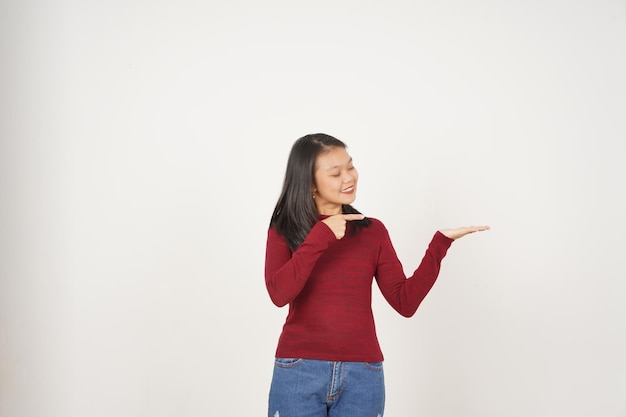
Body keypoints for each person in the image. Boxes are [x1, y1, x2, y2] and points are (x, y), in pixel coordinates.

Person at [265, 133, 489, 417]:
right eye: (336, 173)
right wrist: (320, 235)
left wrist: (440, 245)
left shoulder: (373, 232)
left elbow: (404, 302)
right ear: (310, 184)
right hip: (299, 370)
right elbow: (278, 293)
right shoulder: (284, 228)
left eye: (350, 166)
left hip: (363, 375)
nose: (349, 177)